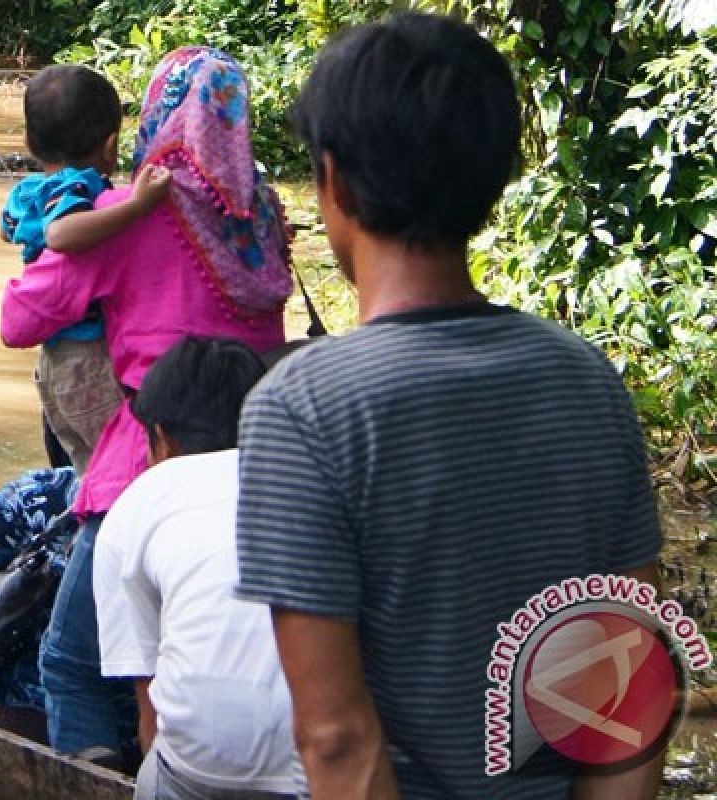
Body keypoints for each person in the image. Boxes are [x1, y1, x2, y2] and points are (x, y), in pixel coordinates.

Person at [234, 13, 663, 800]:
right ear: (493, 179)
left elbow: (337, 740)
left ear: (332, 183)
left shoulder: (302, 408)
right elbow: (627, 701)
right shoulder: (586, 379)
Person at [0, 46, 292, 760]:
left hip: (152, 457)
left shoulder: (125, 212)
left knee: (71, 663)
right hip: (265, 458)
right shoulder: (259, 212)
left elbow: (19, 323)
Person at [94, 336, 300, 799]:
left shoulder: (137, 504)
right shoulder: (303, 471)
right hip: (322, 761)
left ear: (162, 439)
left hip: (200, 773)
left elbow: (150, 708)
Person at [2, 64, 172, 473]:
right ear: (110, 146)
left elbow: (10, 228)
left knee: (83, 472)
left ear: (29, 141)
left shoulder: (29, 191)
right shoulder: (78, 187)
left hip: (54, 360)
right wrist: (136, 206)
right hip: (86, 358)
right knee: (119, 468)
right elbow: (61, 234)